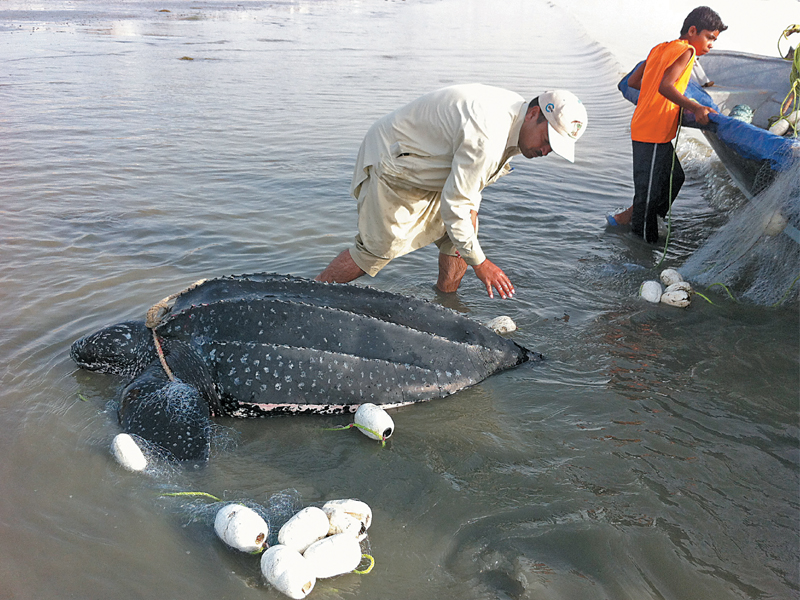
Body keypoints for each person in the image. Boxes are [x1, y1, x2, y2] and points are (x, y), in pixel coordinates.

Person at [315, 84, 588, 299]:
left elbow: (469, 188)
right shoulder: (488, 133)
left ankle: (445, 302)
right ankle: (309, 294)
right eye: (547, 140)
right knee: (377, 250)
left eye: (554, 148)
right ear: (533, 114)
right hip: (396, 162)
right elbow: (457, 202)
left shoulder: (517, 123)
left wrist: (470, 221)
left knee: (459, 236)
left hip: (435, 167)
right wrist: (482, 265)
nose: (545, 151)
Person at [608, 6, 727, 242]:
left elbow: (634, 81)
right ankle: (641, 245)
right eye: (709, 37)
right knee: (648, 195)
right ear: (693, 30)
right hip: (651, 131)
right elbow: (666, 86)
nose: (711, 44)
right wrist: (695, 107)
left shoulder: (659, 48)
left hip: (653, 131)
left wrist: (659, 93)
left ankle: (650, 220)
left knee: (675, 177)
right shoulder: (687, 51)